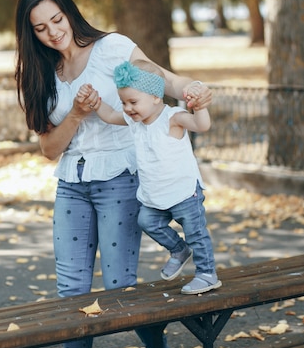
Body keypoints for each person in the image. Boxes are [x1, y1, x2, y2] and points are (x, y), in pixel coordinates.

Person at [14, 0, 211, 348]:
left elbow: (166, 81)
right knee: (70, 291)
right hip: (72, 184)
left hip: (120, 179)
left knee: (121, 289)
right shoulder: (39, 74)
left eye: (57, 20)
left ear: (69, 13)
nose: (53, 32)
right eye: (40, 28)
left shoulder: (112, 48)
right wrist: (75, 114)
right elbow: (48, 149)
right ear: (30, 33)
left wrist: (195, 90)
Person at [79, 59, 221, 295]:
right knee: (146, 221)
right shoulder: (135, 122)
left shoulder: (173, 118)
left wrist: (200, 107)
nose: (127, 108)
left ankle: (207, 274)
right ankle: (179, 249)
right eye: (124, 102)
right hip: (155, 194)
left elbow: (201, 124)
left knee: (196, 232)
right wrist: (95, 102)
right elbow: (110, 116)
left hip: (183, 192)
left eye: (133, 102)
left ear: (156, 97)